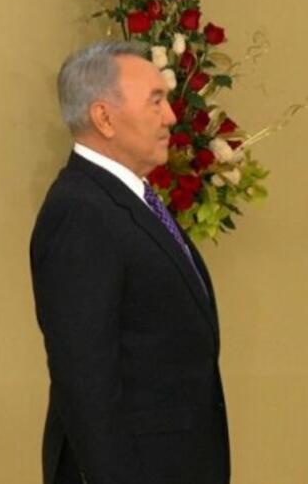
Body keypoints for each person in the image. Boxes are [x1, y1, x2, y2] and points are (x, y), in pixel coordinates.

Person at [30, 41, 230, 484]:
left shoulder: (126, 200)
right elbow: (85, 382)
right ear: (104, 118)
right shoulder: (81, 211)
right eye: (155, 101)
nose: (172, 117)